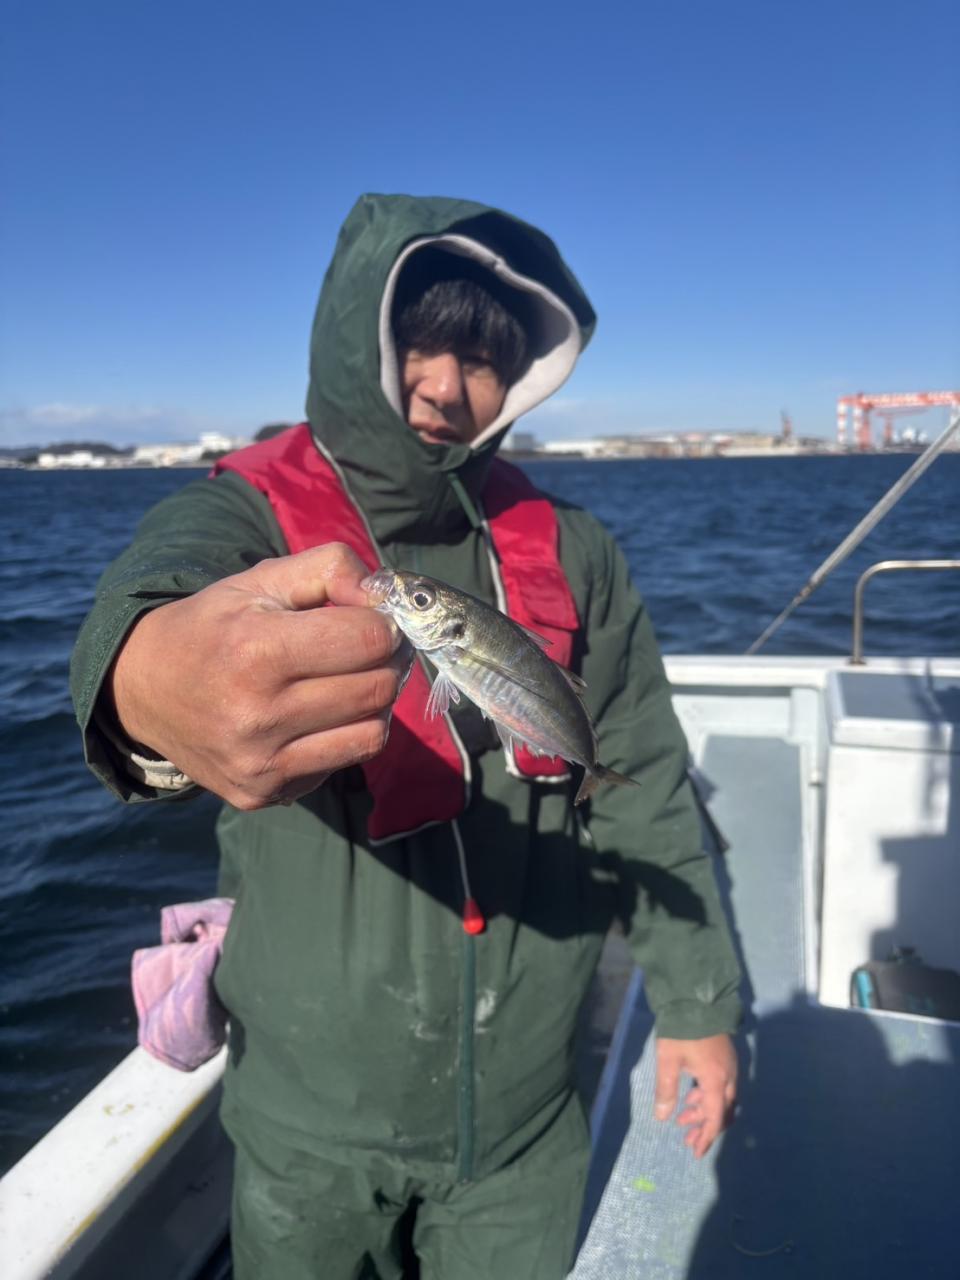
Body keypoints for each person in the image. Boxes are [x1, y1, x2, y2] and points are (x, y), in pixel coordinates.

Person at [71, 193, 741, 1279]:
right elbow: (157, 587)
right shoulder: (250, 512)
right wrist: (144, 681)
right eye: (419, 344)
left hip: (530, 1111)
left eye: (486, 359)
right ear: (362, 341)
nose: (444, 385)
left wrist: (700, 1003)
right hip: (309, 1112)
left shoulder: (577, 548)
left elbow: (650, 783)